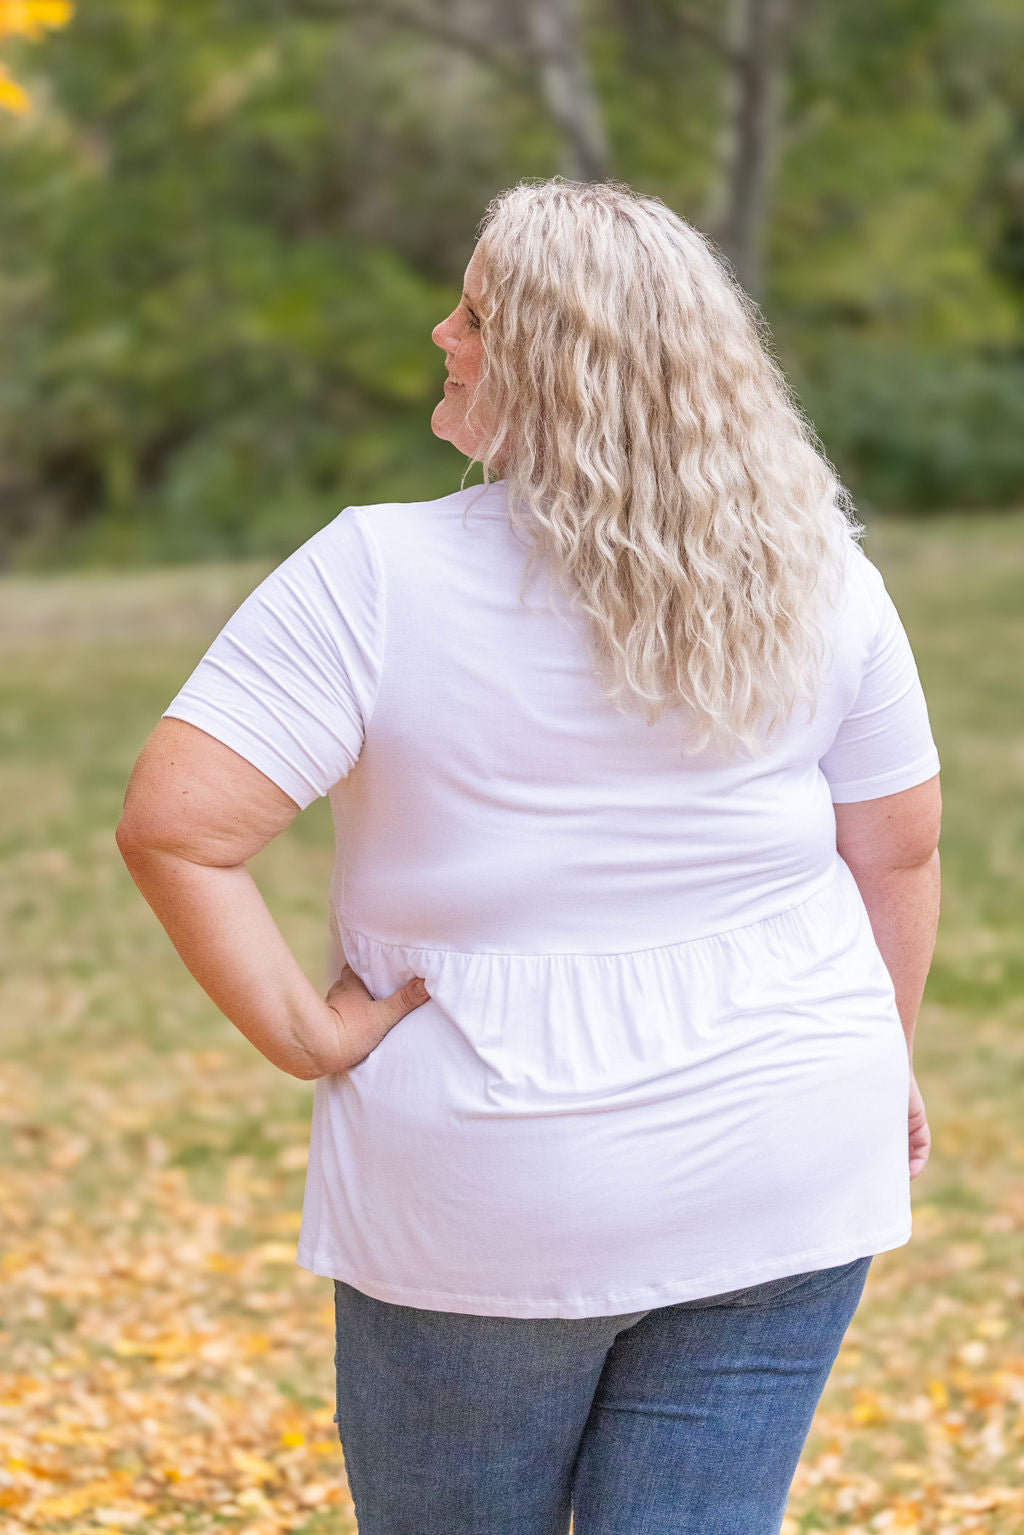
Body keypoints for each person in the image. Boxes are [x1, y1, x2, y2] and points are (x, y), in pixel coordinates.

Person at [116, 177, 942, 1535]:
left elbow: (175, 827)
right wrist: (881, 1058)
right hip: (789, 1147)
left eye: (479, 313)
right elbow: (897, 853)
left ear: (563, 369)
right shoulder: (823, 576)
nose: (443, 333)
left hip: (494, 1187)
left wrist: (310, 1038)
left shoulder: (374, 578)